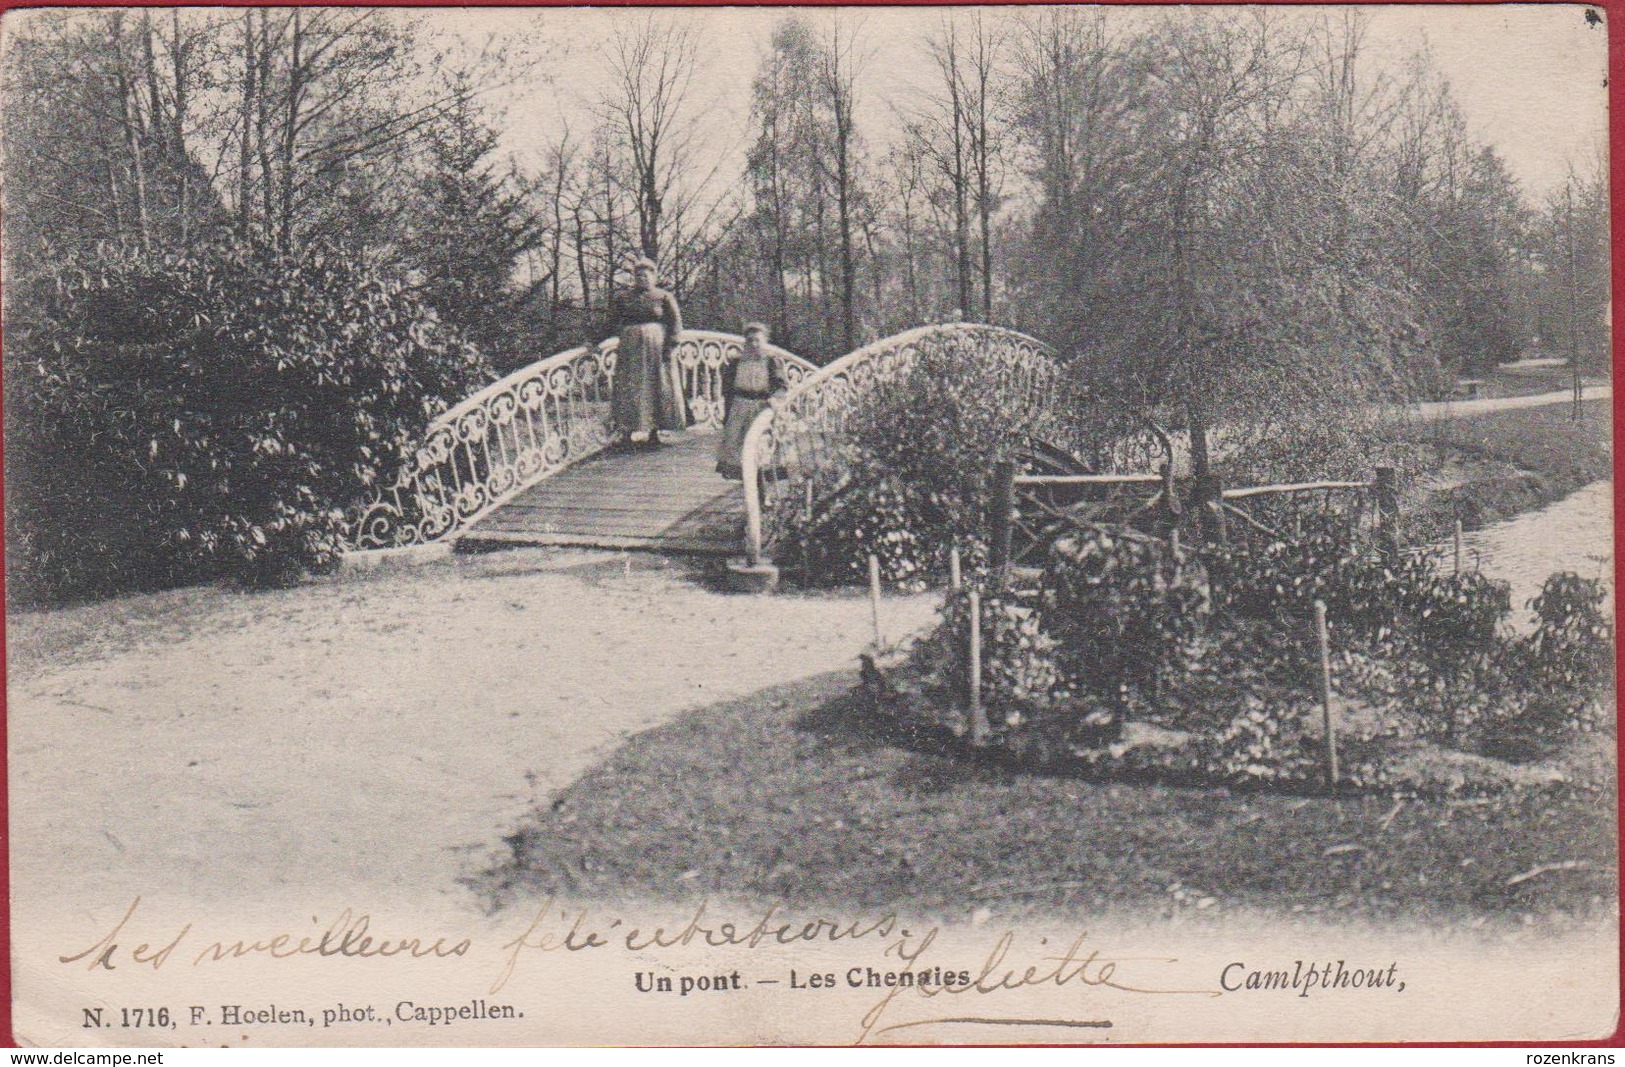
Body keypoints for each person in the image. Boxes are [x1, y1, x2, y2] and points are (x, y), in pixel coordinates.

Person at [610, 257, 686, 447]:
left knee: (657, 386)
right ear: (634, 277)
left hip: (656, 349)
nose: (642, 278)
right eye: (639, 275)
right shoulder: (623, 298)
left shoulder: (663, 297)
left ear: (654, 276)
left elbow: (675, 324)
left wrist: (672, 345)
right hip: (630, 350)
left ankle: (654, 431)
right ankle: (626, 432)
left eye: (646, 275)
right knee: (630, 387)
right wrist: (592, 341)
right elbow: (610, 322)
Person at [716, 322, 788, 480]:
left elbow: (781, 386)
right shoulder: (736, 363)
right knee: (739, 451)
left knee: (762, 449)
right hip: (739, 409)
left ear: (765, 342)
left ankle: (762, 490)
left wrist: (774, 399)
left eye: (758, 340)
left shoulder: (771, 362)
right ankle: (746, 485)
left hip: (761, 407)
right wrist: (727, 415)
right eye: (750, 341)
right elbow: (727, 390)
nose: (754, 344)